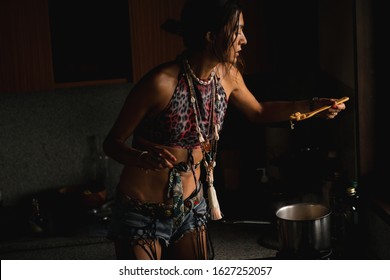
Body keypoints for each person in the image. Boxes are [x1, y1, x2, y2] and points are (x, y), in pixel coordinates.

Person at [103, 0, 347, 260]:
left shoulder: (228, 75)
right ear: (211, 36)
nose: (244, 40)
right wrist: (140, 158)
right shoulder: (161, 83)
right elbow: (112, 143)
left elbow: (259, 112)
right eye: (237, 30)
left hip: (191, 209)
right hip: (142, 212)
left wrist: (312, 107)